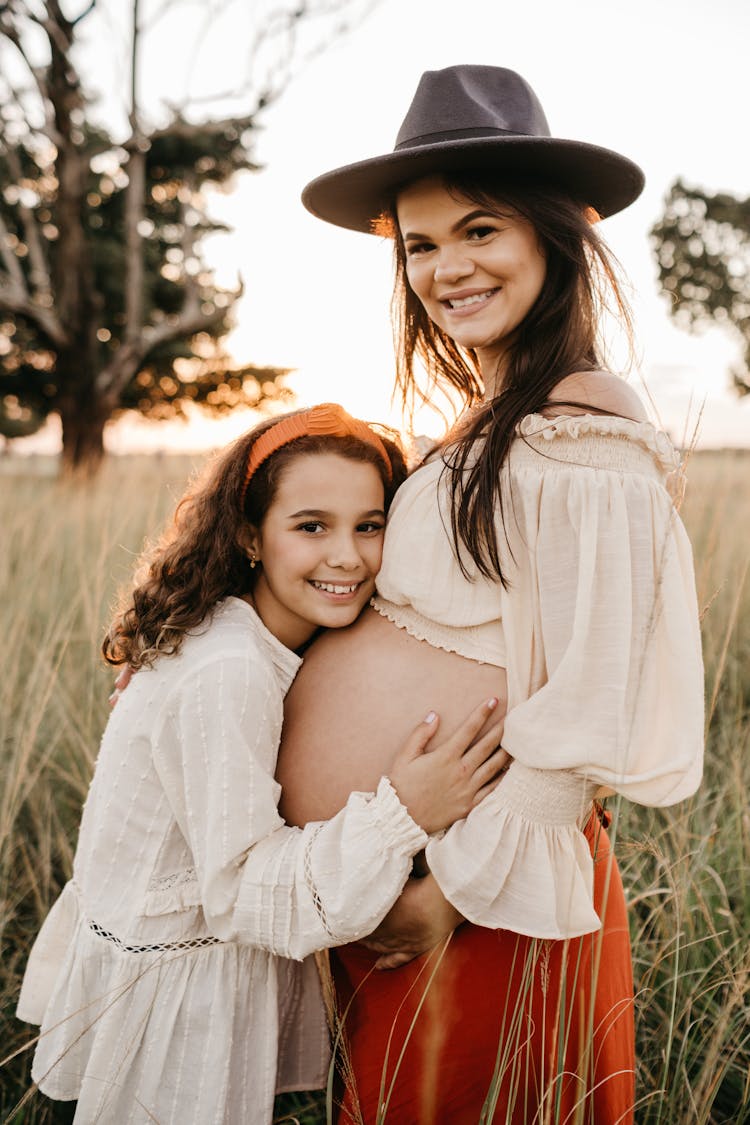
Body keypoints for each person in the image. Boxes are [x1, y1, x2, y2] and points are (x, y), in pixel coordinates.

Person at [275, 66, 705, 1123]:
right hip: (405, 867)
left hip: (489, 891)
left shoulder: (584, 414)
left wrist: (450, 892)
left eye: (478, 232)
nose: (444, 268)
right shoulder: (486, 416)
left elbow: (595, 694)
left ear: (552, 238)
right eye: (419, 246)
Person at [15, 403, 507, 1125]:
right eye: (312, 525)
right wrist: (404, 811)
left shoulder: (262, 633)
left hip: (195, 979)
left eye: (369, 525)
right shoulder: (228, 667)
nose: (347, 555)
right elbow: (241, 887)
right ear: (250, 534)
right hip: (172, 1014)